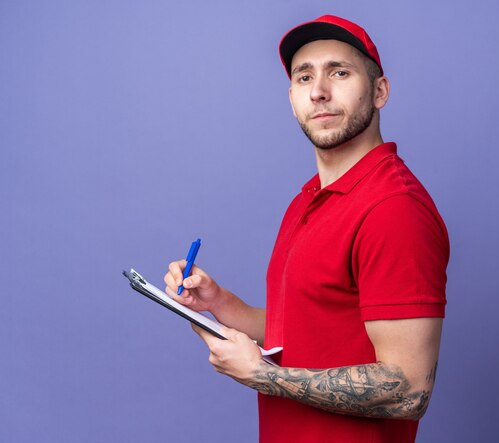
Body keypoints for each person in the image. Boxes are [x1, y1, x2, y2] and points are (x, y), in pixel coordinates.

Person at [163, 15, 449, 443]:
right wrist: (219, 303)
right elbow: (300, 334)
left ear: (380, 91)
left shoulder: (393, 208)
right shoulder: (308, 200)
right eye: (304, 76)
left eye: (339, 72)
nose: (319, 91)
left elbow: (409, 390)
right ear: (293, 96)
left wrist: (262, 375)